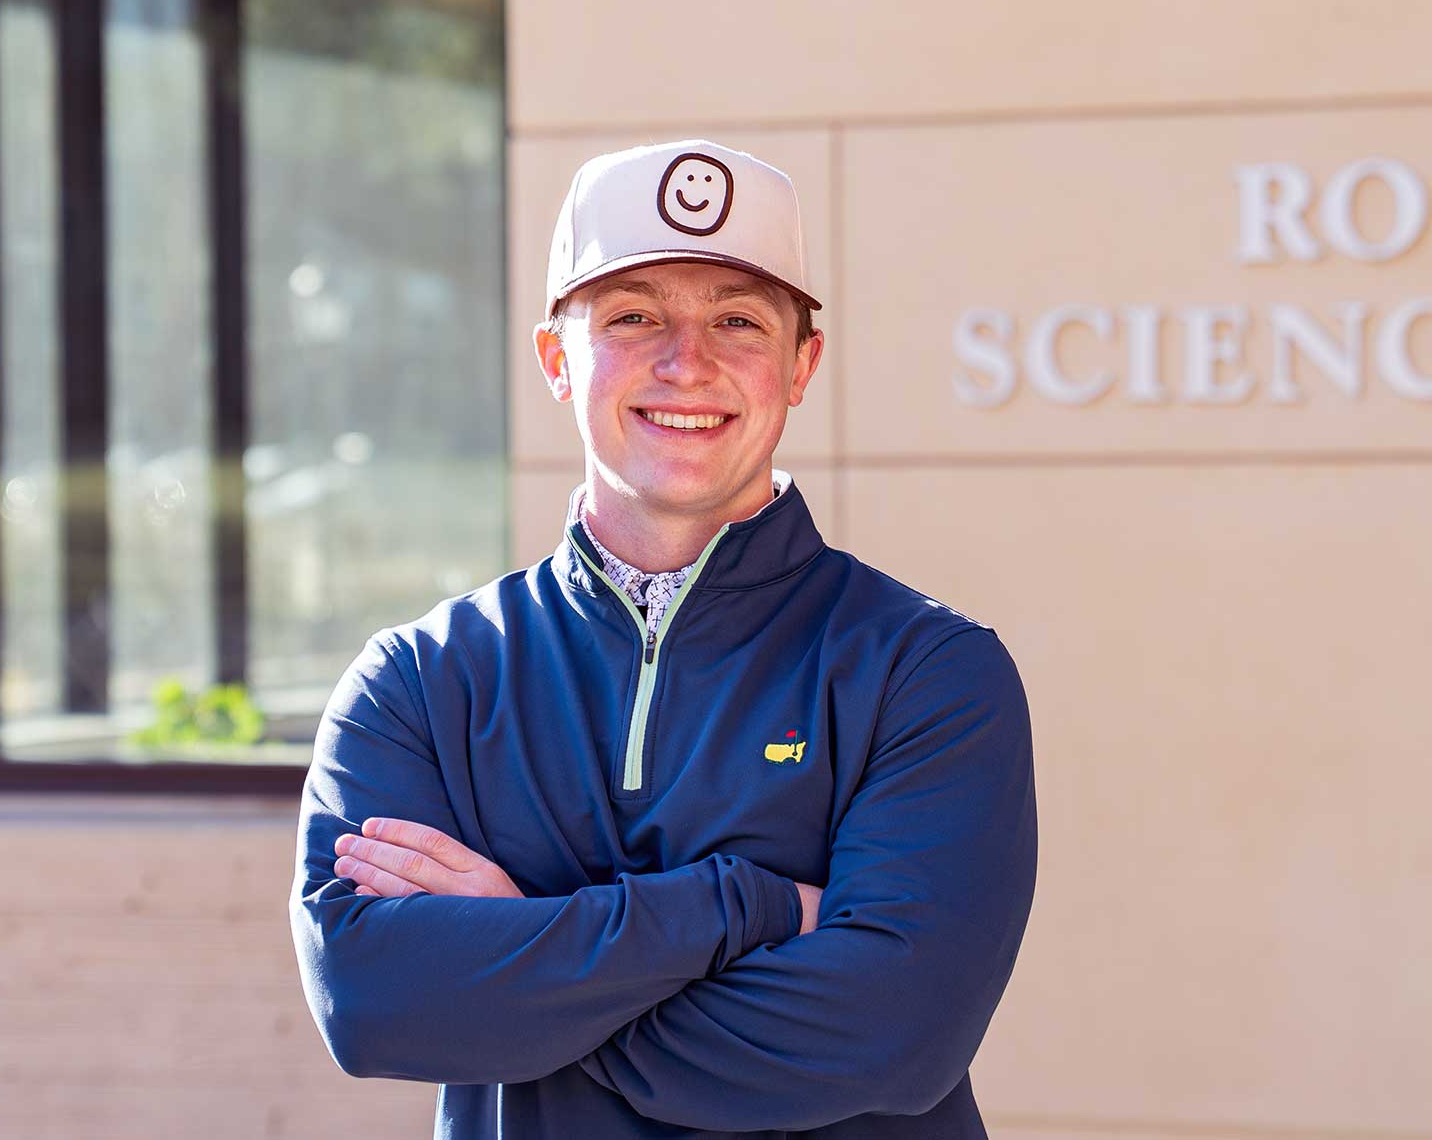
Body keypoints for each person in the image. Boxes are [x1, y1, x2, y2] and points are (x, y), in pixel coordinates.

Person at [288, 139, 1038, 1138]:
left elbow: (895, 1033)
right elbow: (375, 999)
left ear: (801, 362)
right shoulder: (423, 679)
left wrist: (524, 965)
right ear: (558, 357)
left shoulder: (924, 669)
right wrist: (744, 905)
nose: (688, 362)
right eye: (634, 315)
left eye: (737, 319)